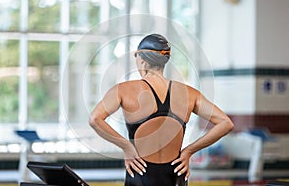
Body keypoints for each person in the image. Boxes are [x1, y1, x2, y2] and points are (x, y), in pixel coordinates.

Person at [89, 34, 234, 186]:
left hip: (140, 174)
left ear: (142, 60)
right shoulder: (189, 93)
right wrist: (189, 151)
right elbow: (225, 123)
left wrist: (126, 146)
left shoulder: (124, 90)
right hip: (176, 174)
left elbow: (95, 119)